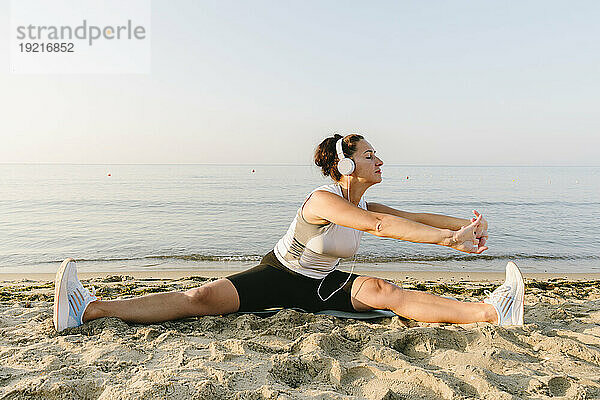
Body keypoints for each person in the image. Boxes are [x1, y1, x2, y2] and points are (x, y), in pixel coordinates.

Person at [53, 134, 524, 332]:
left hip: (322, 283)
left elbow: (413, 219)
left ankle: (491, 312)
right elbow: (383, 229)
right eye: (369, 154)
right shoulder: (322, 200)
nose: (379, 160)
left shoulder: (366, 202)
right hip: (278, 276)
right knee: (198, 300)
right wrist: (449, 243)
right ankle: (88, 311)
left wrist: (464, 227)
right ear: (344, 164)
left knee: (383, 290)